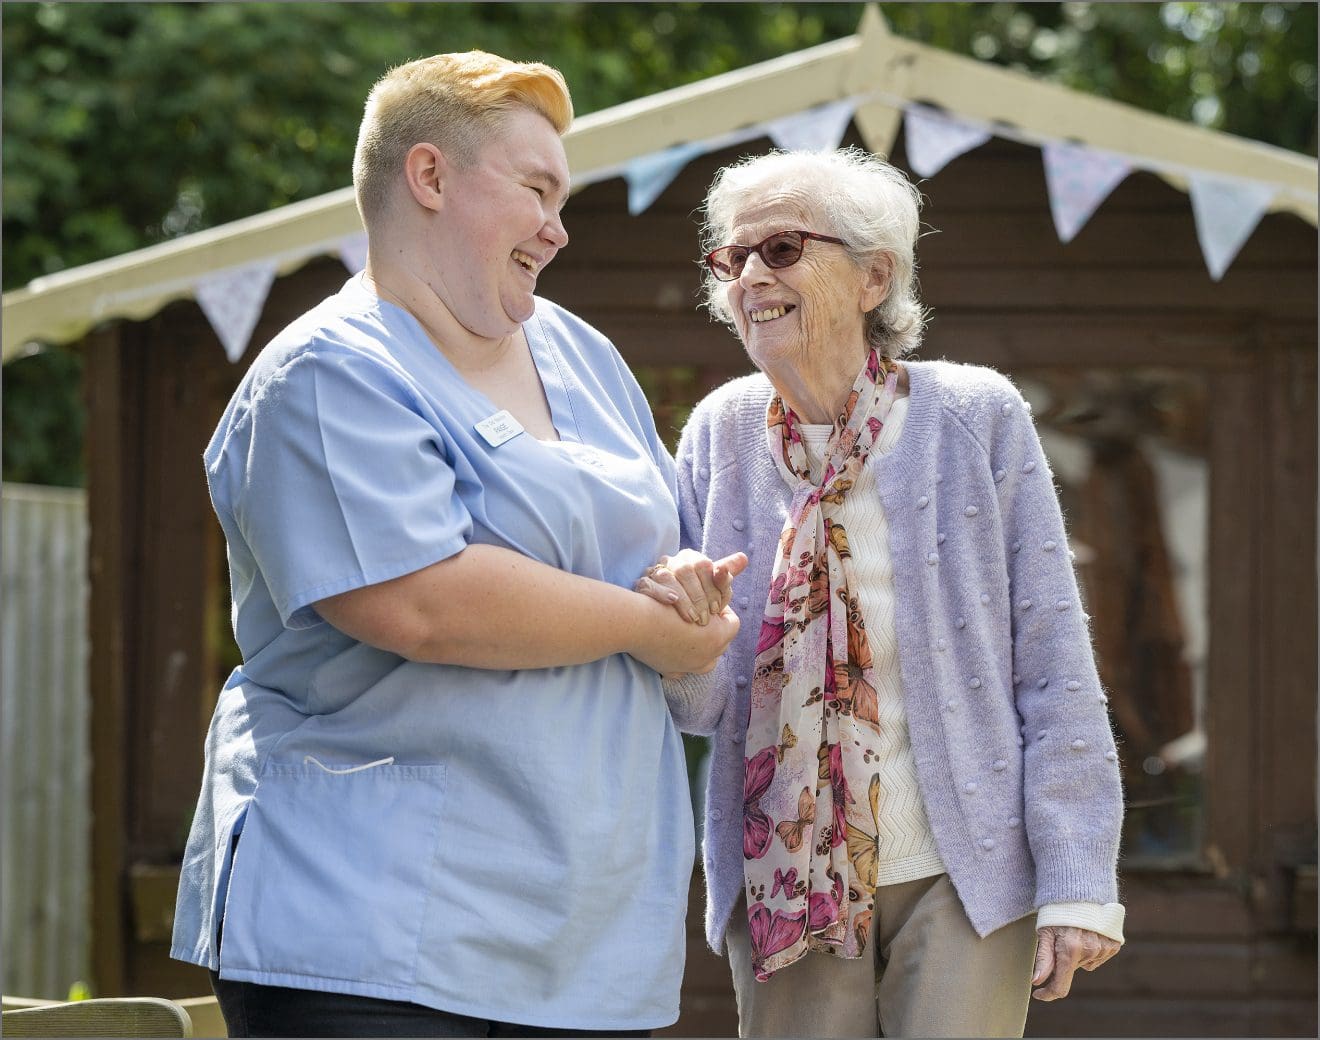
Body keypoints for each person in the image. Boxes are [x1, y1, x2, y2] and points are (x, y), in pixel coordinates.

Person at [169, 51, 744, 1038]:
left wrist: (691, 596)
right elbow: (419, 602)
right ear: (429, 177)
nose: (560, 229)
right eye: (537, 190)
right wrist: (647, 627)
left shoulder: (585, 355)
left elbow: (671, 563)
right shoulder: (327, 373)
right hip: (370, 937)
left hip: (587, 944)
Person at [640, 147, 1125, 1038]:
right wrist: (688, 630)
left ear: (874, 277)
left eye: (781, 249)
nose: (749, 275)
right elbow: (703, 708)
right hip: (784, 870)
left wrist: (1078, 876)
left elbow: (1055, 668)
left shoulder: (977, 418)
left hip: (966, 869)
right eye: (731, 259)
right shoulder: (720, 432)